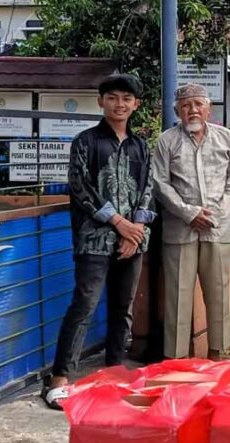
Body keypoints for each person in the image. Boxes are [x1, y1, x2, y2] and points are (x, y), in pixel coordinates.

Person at [42, 74, 156, 410]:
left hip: (131, 242)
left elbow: (148, 191)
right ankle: (60, 378)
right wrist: (120, 223)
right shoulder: (86, 141)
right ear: (100, 102)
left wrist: (136, 230)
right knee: (84, 306)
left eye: (126, 98)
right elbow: (81, 189)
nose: (120, 104)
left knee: (123, 309)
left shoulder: (141, 146)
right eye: (112, 97)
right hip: (94, 240)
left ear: (136, 105)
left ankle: (116, 370)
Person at [152, 83, 230, 360]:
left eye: (198, 104)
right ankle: (175, 357)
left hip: (218, 227)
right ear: (177, 110)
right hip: (180, 229)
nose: (192, 110)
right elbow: (160, 183)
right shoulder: (166, 141)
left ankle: (218, 354)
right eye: (186, 105)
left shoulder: (227, 138)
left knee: (218, 292)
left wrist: (218, 213)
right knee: (177, 295)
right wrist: (189, 212)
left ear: (208, 108)